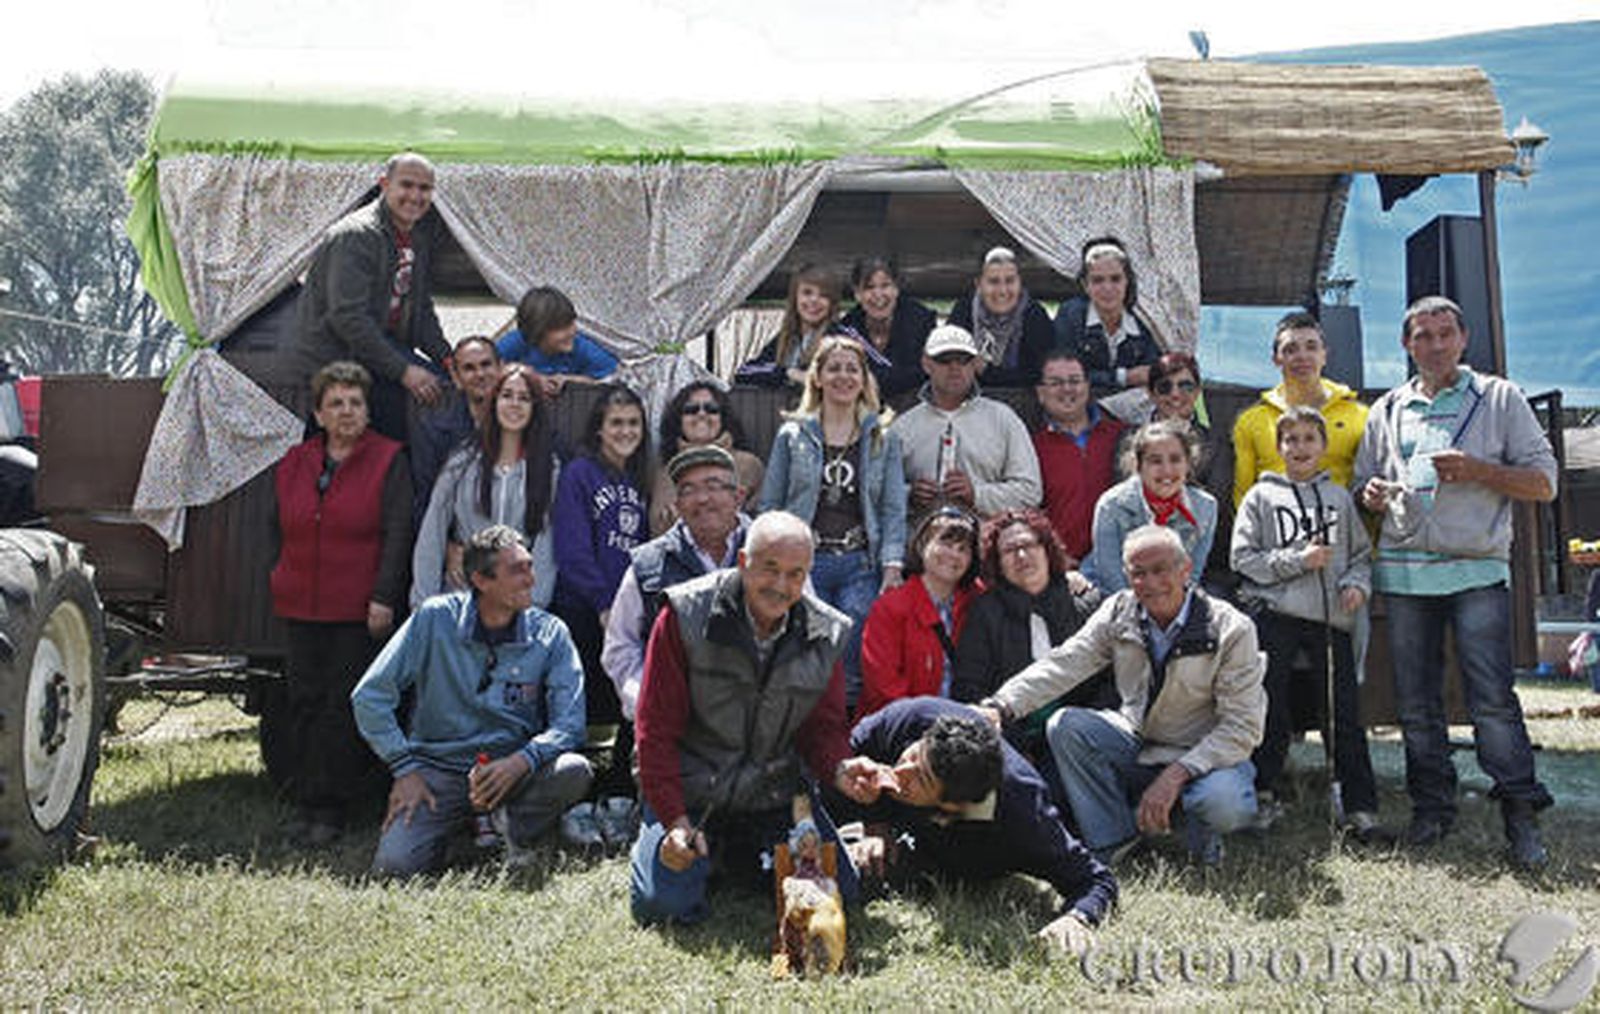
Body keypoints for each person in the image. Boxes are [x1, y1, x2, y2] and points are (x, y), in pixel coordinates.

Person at [1354, 295, 1558, 869]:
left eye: (1445, 334)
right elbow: (1365, 484)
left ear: (1463, 339)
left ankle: (1520, 811)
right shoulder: (1388, 408)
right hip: (1405, 571)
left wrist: (1480, 471)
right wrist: (1367, 494)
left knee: (1491, 699)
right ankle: (1432, 811)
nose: (1435, 344)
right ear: (1406, 344)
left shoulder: (1499, 398)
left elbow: (1544, 483)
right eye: (1423, 335)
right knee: (1416, 703)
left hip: (1475, 570)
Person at [628, 511, 883, 925]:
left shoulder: (827, 633)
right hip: (692, 793)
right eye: (770, 569)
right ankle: (672, 842)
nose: (781, 586)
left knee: (842, 895)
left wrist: (841, 769)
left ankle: (735, 858)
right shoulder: (683, 615)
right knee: (664, 909)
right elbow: (654, 731)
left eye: (795, 574)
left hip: (774, 794)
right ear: (743, 562)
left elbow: (823, 729)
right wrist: (673, 819)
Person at [979, 525, 1266, 865]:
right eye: (1138, 573)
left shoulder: (1232, 628)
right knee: (1067, 726)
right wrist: (1001, 706)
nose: (1150, 582)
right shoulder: (1119, 610)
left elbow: (1242, 728)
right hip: (1140, 742)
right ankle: (1116, 840)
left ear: (1185, 569)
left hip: (1204, 754)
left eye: (1160, 569)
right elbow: (1065, 663)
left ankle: (1199, 831)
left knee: (1223, 803)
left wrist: (1177, 774)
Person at [351, 525, 594, 876]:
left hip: (512, 770)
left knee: (573, 771)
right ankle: (464, 833)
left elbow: (570, 724)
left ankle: (506, 825)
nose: (530, 579)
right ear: (480, 580)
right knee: (393, 868)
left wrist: (522, 761)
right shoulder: (434, 618)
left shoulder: (551, 633)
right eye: (517, 570)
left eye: (529, 566)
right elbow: (370, 696)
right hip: (438, 769)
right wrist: (403, 769)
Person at [836, 699, 1117, 957]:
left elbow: (1096, 880)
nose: (900, 772)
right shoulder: (911, 719)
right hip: (878, 815)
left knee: (869, 875)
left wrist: (1076, 919)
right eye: (912, 756)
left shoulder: (1025, 817)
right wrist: (874, 822)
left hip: (949, 857)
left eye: (921, 778)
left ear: (954, 806)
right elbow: (836, 755)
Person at [270, 361, 410, 843]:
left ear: (368, 411)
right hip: (300, 604)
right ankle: (305, 800)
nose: (347, 412)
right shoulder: (295, 460)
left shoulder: (390, 458)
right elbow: (277, 526)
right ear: (319, 413)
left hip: (358, 608)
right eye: (336, 403)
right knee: (303, 703)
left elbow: (397, 535)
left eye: (355, 403)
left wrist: (384, 597)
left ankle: (331, 809)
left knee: (340, 708)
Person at [1231, 407, 1380, 836]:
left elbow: (1358, 557)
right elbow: (1243, 559)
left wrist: (1356, 584)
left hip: (1330, 617)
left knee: (1341, 711)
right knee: (1270, 709)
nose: (1299, 447)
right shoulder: (1260, 498)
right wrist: (1297, 561)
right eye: (1290, 439)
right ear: (1278, 448)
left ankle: (1358, 804)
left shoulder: (1338, 499)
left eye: (1308, 439)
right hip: (1275, 615)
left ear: (1323, 446)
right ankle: (1264, 793)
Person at [759, 336, 908, 704]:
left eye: (852, 369)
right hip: (803, 564)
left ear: (863, 378)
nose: (844, 376)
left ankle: (847, 745)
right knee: (805, 657)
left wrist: (892, 564)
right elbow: (771, 503)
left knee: (852, 664)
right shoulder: (792, 435)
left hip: (859, 562)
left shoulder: (882, 437)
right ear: (818, 378)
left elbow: (892, 508)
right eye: (834, 368)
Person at [295, 152, 450, 442]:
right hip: (337, 359)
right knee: (338, 448)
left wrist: (447, 358)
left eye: (424, 188)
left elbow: (420, 310)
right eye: (406, 185)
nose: (415, 196)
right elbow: (348, 318)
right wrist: (404, 371)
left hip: (377, 351)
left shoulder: (415, 237)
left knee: (437, 392)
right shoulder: (356, 236)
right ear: (384, 184)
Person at [605, 445, 751, 725]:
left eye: (714, 485)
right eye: (688, 489)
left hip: (753, 725)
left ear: (739, 496)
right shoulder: (647, 565)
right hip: (669, 722)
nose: (702, 499)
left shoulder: (771, 554)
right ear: (677, 504)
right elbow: (620, 647)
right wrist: (645, 703)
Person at [952, 509, 1108, 768]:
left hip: (1082, 740)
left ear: (1046, 549)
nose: (1021, 556)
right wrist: (1014, 749)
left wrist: (1079, 731)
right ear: (997, 562)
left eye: (1028, 545)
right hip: (1012, 745)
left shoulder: (1085, 602)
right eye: (1009, 550)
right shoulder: (985, 613)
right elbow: (970, 687)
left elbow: (1111, 680)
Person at [412, 364, 558, 610]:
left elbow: (547, 544)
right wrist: (422, 604)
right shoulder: (462, 461)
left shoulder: (548, 469)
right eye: (507, 395)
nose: (514, 404)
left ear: (535, 408)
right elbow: (432, 530)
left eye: (524, 398)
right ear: (494, 401)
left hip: (516, 607)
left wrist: (533, 608)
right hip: (460, 600)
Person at [551, 384, 649, 735]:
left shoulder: (640, 479)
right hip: (584, 607)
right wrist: (602, 602)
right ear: (599, 429)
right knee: (582, 704)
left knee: (626, 700)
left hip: (625, 610)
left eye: (634, 423)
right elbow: (572, 548)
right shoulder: (579, 473)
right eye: (617, 423)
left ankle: (619, 785)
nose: (626, 431)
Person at [890, 324, 1042, 518]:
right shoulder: (902, 427)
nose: (955, 368)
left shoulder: (1003, 419)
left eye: (964, 360)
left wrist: (977, 494)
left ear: (976, 364)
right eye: (944, 360)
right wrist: (909, 495)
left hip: (985, 541)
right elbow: (876, 491)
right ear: (926, 364)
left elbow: (1030, 492)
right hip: (920, 542)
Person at [1232, 311, 1368, 508]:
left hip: (1339, 533)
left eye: (1311, 347)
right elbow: (1243, 496)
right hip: (1274, 533)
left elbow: (1367, 486)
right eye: (1290, 349)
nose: (1302, 356)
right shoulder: (1250, 421)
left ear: (1324, 355)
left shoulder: (1360, 416)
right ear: (1276, 359)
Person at [858, 507, 982, 718]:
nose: (954, 554)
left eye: (963, 549)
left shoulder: (979, 601)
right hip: (902, 723)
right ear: (923, 544)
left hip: (964, 725)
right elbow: (882, 685)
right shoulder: (891, 607)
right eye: (945, 543)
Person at [1083, 419, 1217, 594]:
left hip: (1172, 598)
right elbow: (1110, 576)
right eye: (1155, 461)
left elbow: (1191, 574)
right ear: (1138, 466)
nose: (1167, 470)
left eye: (1175, 459)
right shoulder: (1111, 505)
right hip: (1115, 596)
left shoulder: (1206, 507)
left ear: (1188, 464)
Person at [1031, 351, 1125, 567]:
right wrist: (1055, 556)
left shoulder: (1122, 436)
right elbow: (1028, 511)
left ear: (1087, 387)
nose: (1067, 389)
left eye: (1074, 381)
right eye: (1055, 383)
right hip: (1061, 567)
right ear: (1040, 393)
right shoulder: (1031, 447)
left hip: (1122, 563)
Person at [736, 264, 883, 388]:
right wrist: (789, 373)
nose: (814, 300)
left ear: (832, 303)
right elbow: (744, 372)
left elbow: (883, 373)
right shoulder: (786, 339)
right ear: (795, 298)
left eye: (823, 295)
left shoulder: (847, 336)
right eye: (807, 293)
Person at [647, 381, 763, 537]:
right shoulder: (662, 472)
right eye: (691, 410)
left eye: (711, 409)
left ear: (723, 418)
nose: (702, 414)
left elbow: (761, 524)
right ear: (678, 419)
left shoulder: (748, 465)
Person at [409, 335, 501, 527]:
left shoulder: (521, 417)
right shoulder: (434, 427)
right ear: (456, 377)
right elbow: (426, 494)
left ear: (501, 368)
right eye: (469, 368)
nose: (480, 374)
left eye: (486, 365)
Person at [1052, 236, 1162, 394]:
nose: (1107, 288)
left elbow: (1152, 372)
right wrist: (1123, 377)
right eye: (1098, 280)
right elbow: (1064, 374)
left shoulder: (1143, 318)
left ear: (1127, 281)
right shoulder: (1070, 316)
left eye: (1115, 279)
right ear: (1086, 285)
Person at [944, 246, 1055, 388]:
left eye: (1009, 281)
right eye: (993, 281)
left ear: (1020, 283)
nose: (1002, 291)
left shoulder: (1034, 315)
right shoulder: (964, 311)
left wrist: (987, 371)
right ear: (979, 284)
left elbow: (1039, 375)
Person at [495, 285, 619, 399]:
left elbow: (615, 378)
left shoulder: (581, 347)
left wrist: (573, 381)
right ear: (538, 332)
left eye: (571, 323)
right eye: (561, 328)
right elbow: (487, 368)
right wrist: (530, 377)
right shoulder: (517, 342)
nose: (572, 331)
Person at [840, 256, 937, 400]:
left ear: (896, 289)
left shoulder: (921, 321)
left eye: (885, 285)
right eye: (869, 287)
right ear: (857, 294)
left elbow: (927, 373)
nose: (878, 295)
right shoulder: (846, 328)